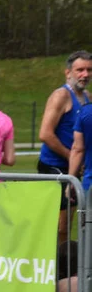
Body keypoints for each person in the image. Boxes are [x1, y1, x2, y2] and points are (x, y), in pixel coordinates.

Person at [38, 50, 92, 242]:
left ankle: (63, 266)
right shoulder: (61, 96)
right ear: (68, 72)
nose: (85, 74)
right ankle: (53, 267)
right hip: (54, 166)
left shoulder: (87, 97)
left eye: (88, 70)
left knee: (68, 224)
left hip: (74, 166)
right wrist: (71, 156)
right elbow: (45, 134)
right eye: (80, 70)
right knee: (59, 225)